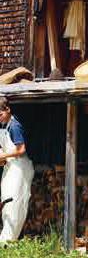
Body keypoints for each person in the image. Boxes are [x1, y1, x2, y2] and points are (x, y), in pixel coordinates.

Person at [0, 98, 34, 243]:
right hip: (11, 166)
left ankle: (9, 240)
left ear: (8, 109)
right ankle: (6, 236)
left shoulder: (14, 126)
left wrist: (3, 156)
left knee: (14, 202)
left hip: (20, 167)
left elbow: (21, 149)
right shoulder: (4, 125)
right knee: (6, 200)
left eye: (0, 114)